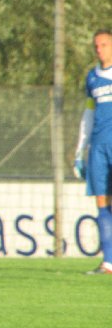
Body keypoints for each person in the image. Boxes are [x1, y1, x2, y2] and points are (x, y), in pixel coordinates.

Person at [74, 29, 112, 275]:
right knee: (102, 201)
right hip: (98, 146)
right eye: (96, 46)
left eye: (104, 45)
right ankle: (108, 262)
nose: (99, 49)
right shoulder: (92, 78)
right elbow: (88, 115)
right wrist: (80, 151)